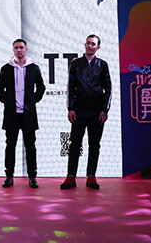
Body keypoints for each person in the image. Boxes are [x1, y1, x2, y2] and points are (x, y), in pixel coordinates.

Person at [61, 34, 112, 190]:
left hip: (97, 112)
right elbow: (70, 87)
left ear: (98, 47)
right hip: (79, 110)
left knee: (94, 144)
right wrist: (71, 108)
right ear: (85, 45)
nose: (90, 46)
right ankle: (71, 176)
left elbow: (108, 89)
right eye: (88, 43)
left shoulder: (102, 65)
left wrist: (105, 110)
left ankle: (91, 176)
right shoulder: (76, 64)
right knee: (75, 144)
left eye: (93, 44)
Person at [0, 38, 45, 188]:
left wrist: (32, 101)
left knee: (30, 146)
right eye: (16, 48)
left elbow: (41, 87)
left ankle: (32, 177)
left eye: (21, 47)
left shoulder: (34, 68)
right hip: (12, 114)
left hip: (28, 114)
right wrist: (6, 101)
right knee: (10, 146)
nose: (19, 50)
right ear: (13, 50)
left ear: (26, 49)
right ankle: (9, 176)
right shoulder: (6, 68)